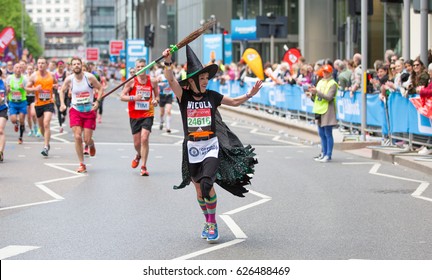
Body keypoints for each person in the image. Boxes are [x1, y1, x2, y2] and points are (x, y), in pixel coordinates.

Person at [162, 45, 262, 243]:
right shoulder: (184, 97)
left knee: (208, 184)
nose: (206, 81)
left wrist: (249, 95)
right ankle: (207, 221)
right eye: (202, 78)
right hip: (191, 149)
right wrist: (167, 60)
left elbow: (233, 102)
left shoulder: (212, 96)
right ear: (191, 81)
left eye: (207, 78)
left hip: (210, 147)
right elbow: (170, 79)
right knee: (199, 190)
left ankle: (213, 222)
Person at [59, 57, 104, 173]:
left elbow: (100, 88)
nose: (76, 66)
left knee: (87, 139)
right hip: (75, 110)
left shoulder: (89, 77)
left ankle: (91, 144)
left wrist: (97, 102)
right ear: (71, 66)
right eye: (74, 64)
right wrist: (63, 104)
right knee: (77, 137)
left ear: (81, 65)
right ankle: (82, 163)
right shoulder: (69, 79)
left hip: (89, 111)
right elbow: (61, 90)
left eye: (78, 64)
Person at [120, 58, 159, 176]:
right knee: (137, 144)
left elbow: (157, 97)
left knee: (144, 138)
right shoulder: (131, 82)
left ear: (147, 68)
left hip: (148, 113)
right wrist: (133, 98)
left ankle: (143, 166)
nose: (141, 69)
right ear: (135, 69)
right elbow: (122, 96)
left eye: (143, 66)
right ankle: (139, 154)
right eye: (138, 67)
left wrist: (155, 101)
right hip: (134, 115)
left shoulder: (152, 81)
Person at [25, 57, 58, 156]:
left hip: (49, 102)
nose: (40, 65)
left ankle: (46, 146)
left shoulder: (51, 75)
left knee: (46, 123)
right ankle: (46, 140)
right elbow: (26, 89)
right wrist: (35, 89)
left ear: (46, 65)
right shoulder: (34, 76)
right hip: (38, 104)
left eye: (43, 63)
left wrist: (55, 86)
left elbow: (56, 84)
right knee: (41, 126)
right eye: (39, 63)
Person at [307, 64, 338, 162]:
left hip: (328, 110)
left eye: (327, 72)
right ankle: (323, 153)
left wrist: (317, 92)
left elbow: (329, 97)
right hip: (319, 109)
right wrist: (312, 94)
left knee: (328, 133)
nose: (324, 73)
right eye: (324, 72)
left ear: (330, 73)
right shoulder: (320, 82)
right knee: (321, 133)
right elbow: (316, 97)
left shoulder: (333, 84)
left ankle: (328, 155)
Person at [6, 63, 28, 144]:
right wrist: (8, 90)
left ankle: (20, 137)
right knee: (13, 120)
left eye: (20, 68)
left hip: (22, 102)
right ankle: (16, 123)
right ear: (14, 69)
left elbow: (28, 90)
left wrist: (24, 88)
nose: (18, 69)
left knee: (22, 118)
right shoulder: (9, 78)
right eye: (16, 68)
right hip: (12, 102)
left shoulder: (25, 79)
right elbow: (7, 90)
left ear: (22, 69)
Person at [53, 60, 68, 133]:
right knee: (59, 108)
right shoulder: (54, 74)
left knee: (64, 107)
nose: (60, 67)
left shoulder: (66, 73)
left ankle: (64, 115)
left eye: (62, 65)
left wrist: (67, 88)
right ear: (57, 66)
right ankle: (60, 126)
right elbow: (52, 84)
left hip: (65, 92)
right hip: (57, 93)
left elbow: (68, 82)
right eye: (59, 65)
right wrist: (54, 86)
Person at [0, 69, 7, 162]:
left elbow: (1, 99)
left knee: (0, 130)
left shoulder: (2, 83)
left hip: (2, 108)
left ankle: (0, 151)